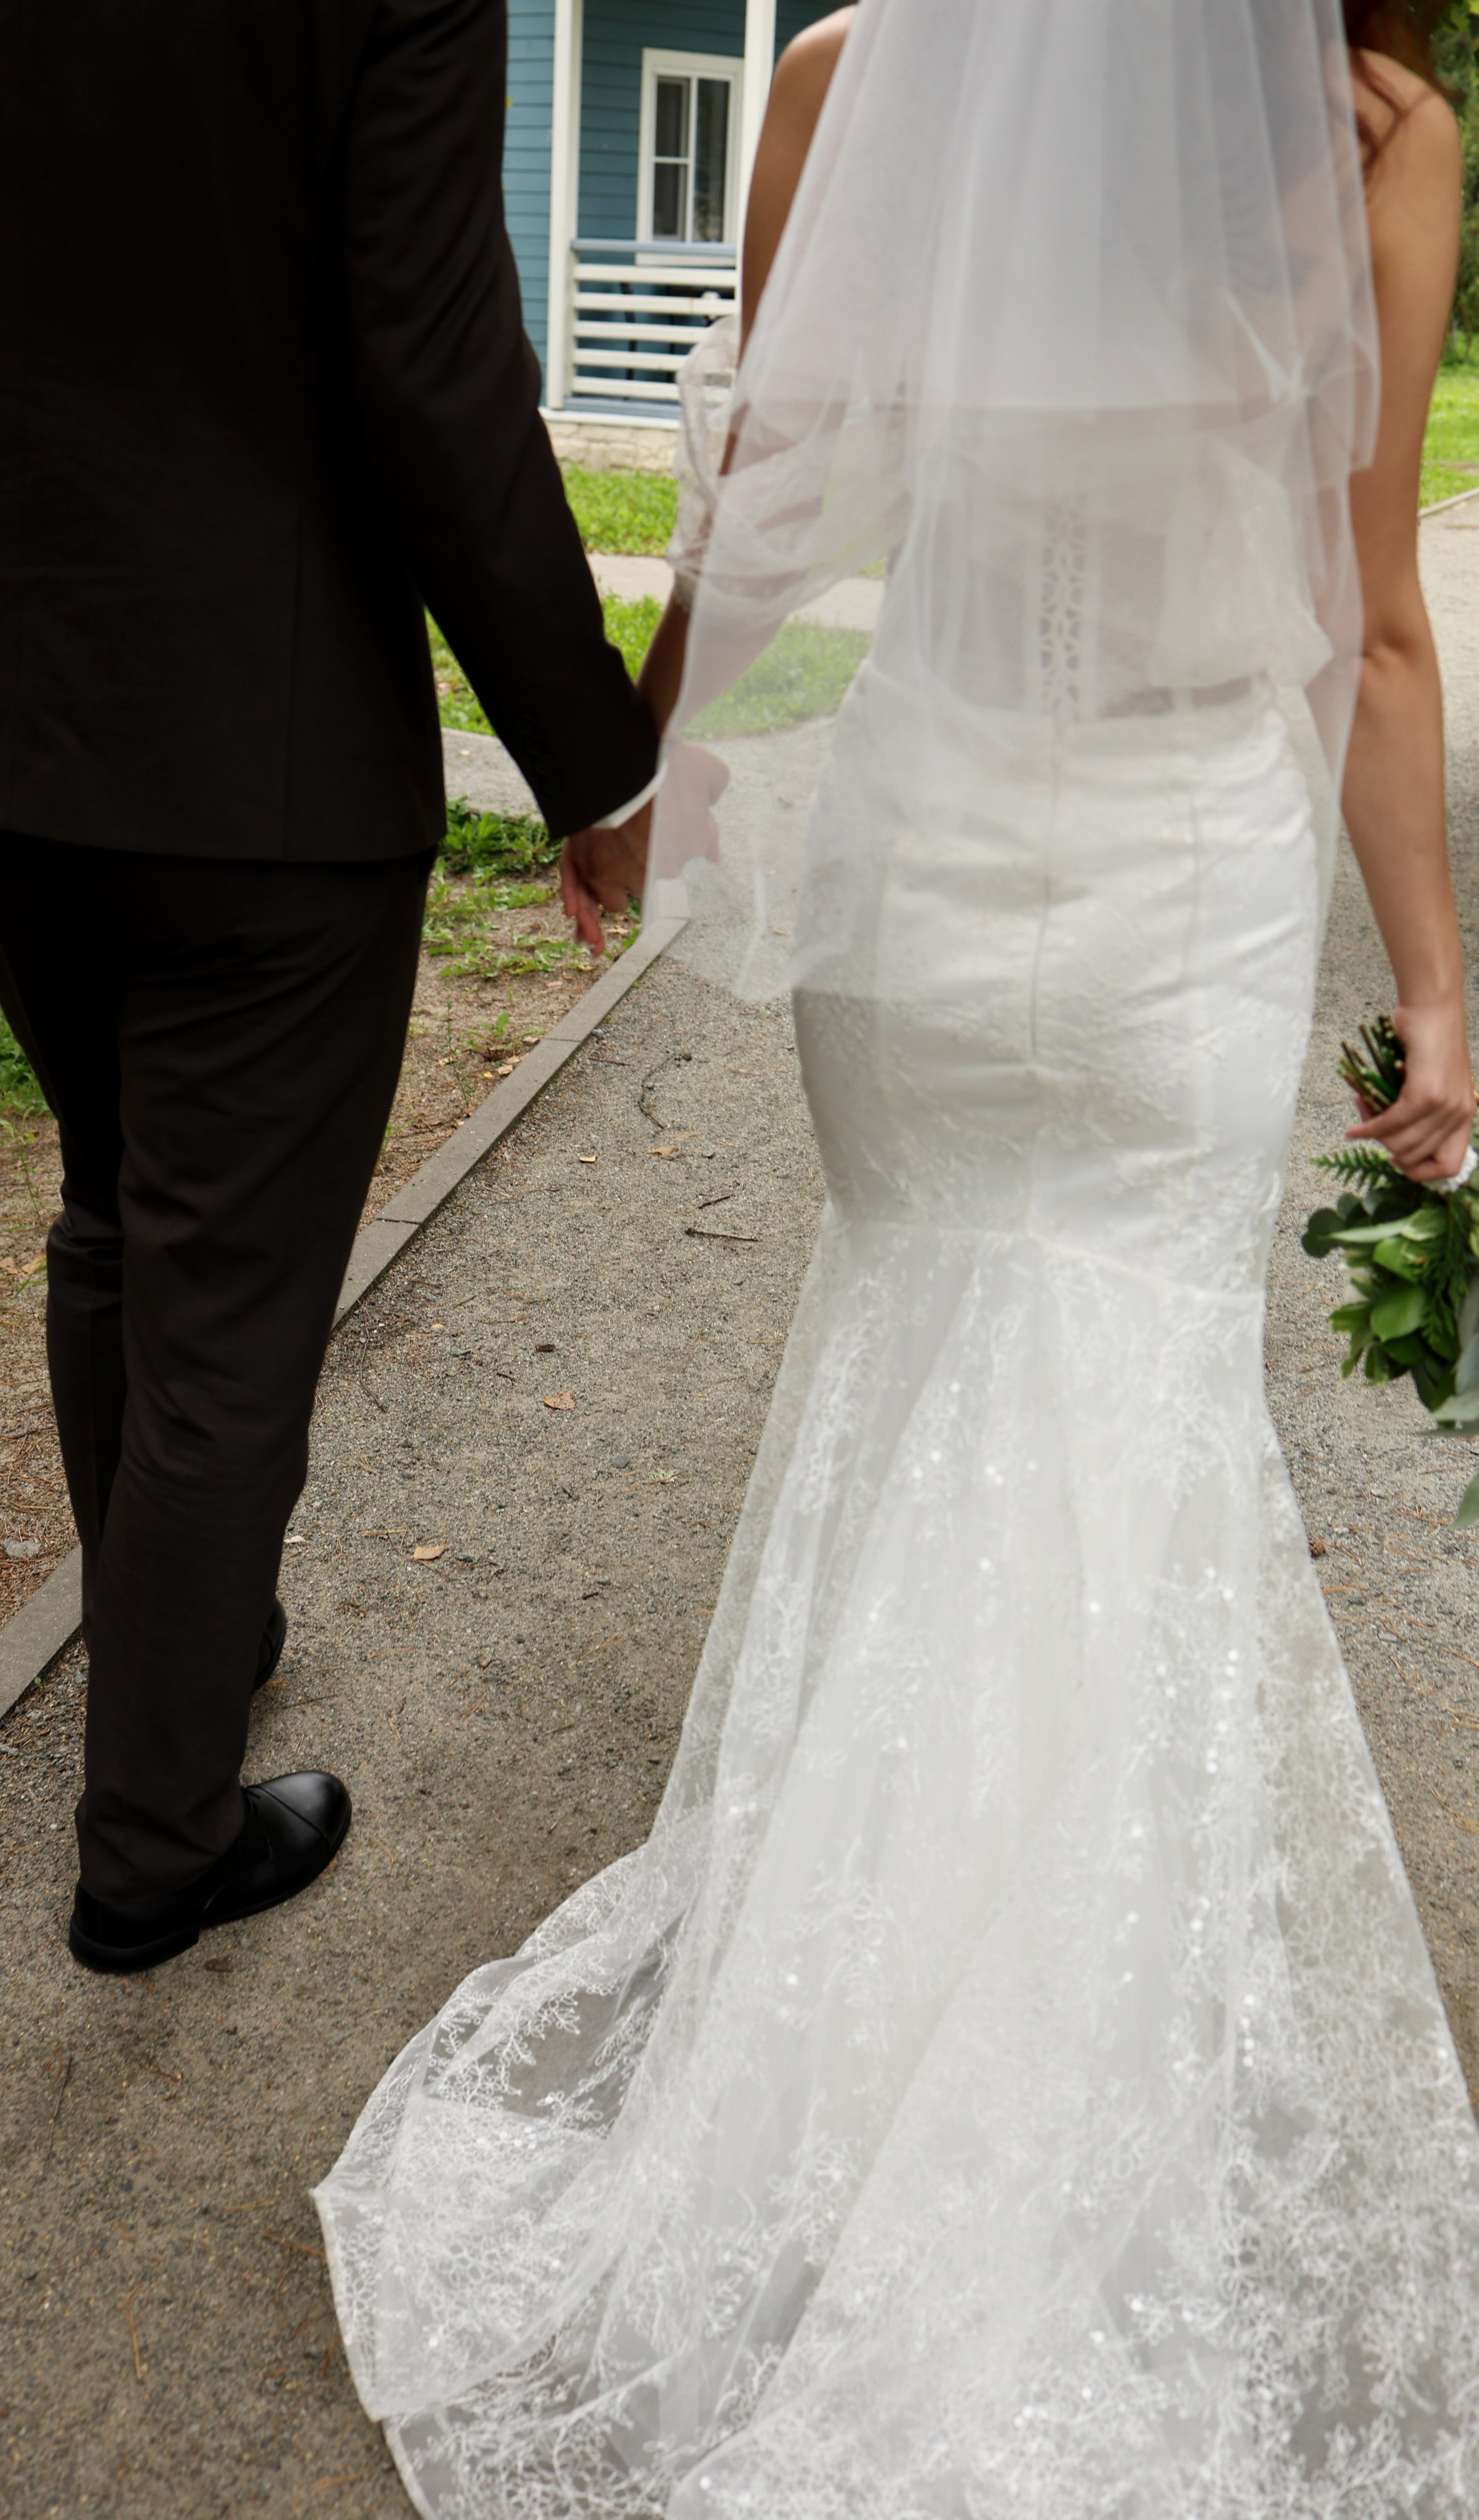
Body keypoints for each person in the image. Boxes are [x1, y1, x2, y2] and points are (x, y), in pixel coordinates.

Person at [317, 1, 1479, 2511]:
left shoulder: (847, 74)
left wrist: (646, 771)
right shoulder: (1374, 143)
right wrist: (1442, 987)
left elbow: (769, 495)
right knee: (1132, 1430)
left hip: (936, 859)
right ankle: (1045, 2073)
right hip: (1181, 879)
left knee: (923, 1368)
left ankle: (843, 2053)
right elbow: (1378, 633)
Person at [0, 0, 662, 1974]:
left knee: (121, 1207)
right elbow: (434, 376)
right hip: (264, 764)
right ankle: (156, 1849)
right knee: (228, 1300)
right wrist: (591, 763)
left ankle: (187, 1632)